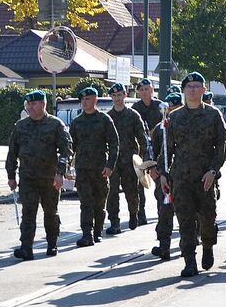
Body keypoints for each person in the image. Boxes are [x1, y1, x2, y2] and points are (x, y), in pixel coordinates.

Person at [154, 72, 226, 277]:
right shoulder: (174, 117)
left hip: (205, 178)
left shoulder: (213, 115)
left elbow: (222, 146)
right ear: (184, 90)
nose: (193, 90)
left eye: (197, 86)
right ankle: (189, 262)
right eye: (189, 87)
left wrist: (213, 170)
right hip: (182, 179)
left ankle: (208, 246)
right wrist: (163, 174)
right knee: (185, 221)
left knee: (207, 219)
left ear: (204, 90)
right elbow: (167, 150)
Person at [6, 90, 73, 260]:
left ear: (43, 104)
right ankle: (26, 247)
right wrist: (11, 175)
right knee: (28, 213)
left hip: (49, 178)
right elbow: (12, 152)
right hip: (28, 177)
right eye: (28, 104)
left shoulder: (56, 124)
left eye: (33, 104)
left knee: (50, 213)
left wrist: (60, 173)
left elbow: (66, 150)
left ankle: (52, 243)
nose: (30, 107)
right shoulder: (20, 126)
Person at [69, 87, 118, 247]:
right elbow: (71, 147)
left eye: (88, 99)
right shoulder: (77, 122)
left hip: (100, 169)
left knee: (99, 203)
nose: (84, 102)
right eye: (82, 99)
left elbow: (114, 143)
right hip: (83, 169)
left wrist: (110, 166)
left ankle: (97, 231)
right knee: (86, 203)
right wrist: (68, 167)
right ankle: (86, 234)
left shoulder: (104, 120)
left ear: (95, 100)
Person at [106, 83, 149, 233]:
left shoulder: (133, 115)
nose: (117, 98)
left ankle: (133, 214)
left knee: (131, 190)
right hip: (113, 160)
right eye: (114, 95)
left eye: (119, 95)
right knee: (111, 191)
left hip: (130, 160)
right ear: (111, 97)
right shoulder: (108, 117)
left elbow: (142, 138)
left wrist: (144, 160)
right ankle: (114, 222)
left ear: (125, 95)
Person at [148, 92, 182, 260]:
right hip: (164, 177)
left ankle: (188, 243)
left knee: (187, 211)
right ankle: (164, 246)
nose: (172, 110)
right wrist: (152, 167)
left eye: (176, 107)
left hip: (184, 175)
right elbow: (152, 151)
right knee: (164, 211)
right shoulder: (159, 128)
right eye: (170, 107)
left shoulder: (186, 124)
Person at [132, 78, 162, 226]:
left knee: (159, 178)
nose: (144, 92)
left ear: (152, 90)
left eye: (147, 89)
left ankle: (161, 211)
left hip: (158, 149)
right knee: (140, 182)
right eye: (142, 89)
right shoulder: (135, 108)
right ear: (138, 92)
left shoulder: (160, 106)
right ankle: (140, 213)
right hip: (141, 149)